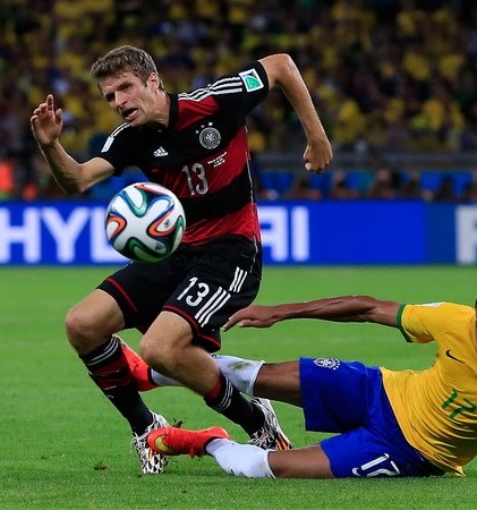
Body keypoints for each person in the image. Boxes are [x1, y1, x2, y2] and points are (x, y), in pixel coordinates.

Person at [30, 45, 332, 474]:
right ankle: (145, 428)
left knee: (158, 348)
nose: (119, 102)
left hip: (231, 251)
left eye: (125, 88)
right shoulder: (130, 139)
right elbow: (77, 179)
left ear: (154, 82)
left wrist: (316, 136)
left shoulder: (216, 101)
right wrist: (50, 146)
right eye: (109, 97)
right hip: (179, 250)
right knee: (82, 324)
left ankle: (256, 422)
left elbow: (282, 65)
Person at [123, 277, 477, 480]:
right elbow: (368, 308)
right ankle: (153, 373)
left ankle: (203, 440)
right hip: (380, 389)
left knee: (265, 469)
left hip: (408, 452)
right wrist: (281, 312)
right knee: (252, 376)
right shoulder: (453, 320)